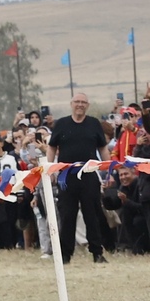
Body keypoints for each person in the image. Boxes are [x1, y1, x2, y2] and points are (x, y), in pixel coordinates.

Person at [49, 92, 110, 264]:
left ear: (87, 105)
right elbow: (52, 148)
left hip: (89, 175)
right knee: (67, 214)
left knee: (92, 214)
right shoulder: (61, 124)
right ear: (71, 104)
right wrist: (50, 169)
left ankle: (97, 252)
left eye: (84, 102)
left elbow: (103, 148)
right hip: (66, 177)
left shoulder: (94, 124)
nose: (80, 105)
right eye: (77, 101)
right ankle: (65, 255)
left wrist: (109, 168)